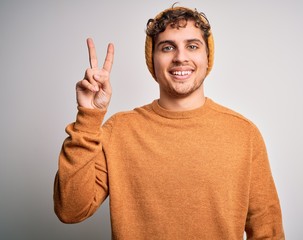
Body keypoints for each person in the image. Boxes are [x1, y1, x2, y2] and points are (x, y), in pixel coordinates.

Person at [54, 5, 285, 239]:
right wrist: (88, 116)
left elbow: (268, 230)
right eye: (167, 47)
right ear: (152, 60)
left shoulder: (243, 134)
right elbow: (71, 210)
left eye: (192, 46)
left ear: (208, 58)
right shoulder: (120, 130)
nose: (180, 57)